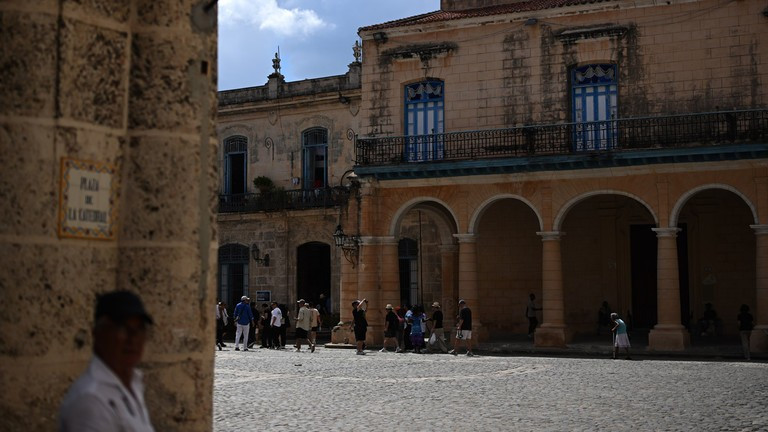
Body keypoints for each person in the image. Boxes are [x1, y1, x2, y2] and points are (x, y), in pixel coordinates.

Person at [59, 290, 155, 431]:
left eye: (139, 329)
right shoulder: (91, 400)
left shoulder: (133, 385)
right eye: (123, 328)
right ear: (99, 334)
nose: (132, 339)